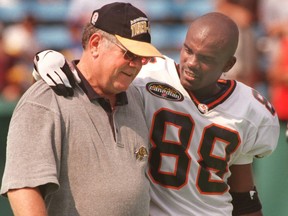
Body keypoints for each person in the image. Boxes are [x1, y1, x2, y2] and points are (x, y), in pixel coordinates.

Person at [32, 12, 279, 216]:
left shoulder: (250, 109)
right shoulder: (149, 75)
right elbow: (96, 73)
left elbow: (243, 194)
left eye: (205, 59)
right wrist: (57, 61)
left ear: (227, 65)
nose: (191, 63)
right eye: (188, 50)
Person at [0, 2, 163, 216]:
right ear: (95, 44)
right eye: (129, 54)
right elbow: (23, 186)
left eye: (142, 58)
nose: (136, 65)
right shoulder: (45, 98)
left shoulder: (137, 96)